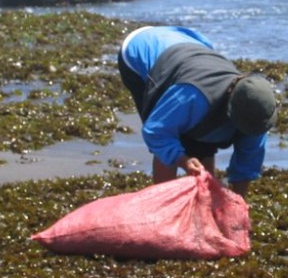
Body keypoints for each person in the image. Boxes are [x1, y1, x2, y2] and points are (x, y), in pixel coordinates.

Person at [117, 25, 278, 197]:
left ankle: (204, 202)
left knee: (203, 145)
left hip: (188, 43)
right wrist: (183, 160)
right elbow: (156, 132)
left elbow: (247, 164)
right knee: (169, 144)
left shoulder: (258, 116)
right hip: (139, 50)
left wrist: (238, 205)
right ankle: (164, 204)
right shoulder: (192, 96)